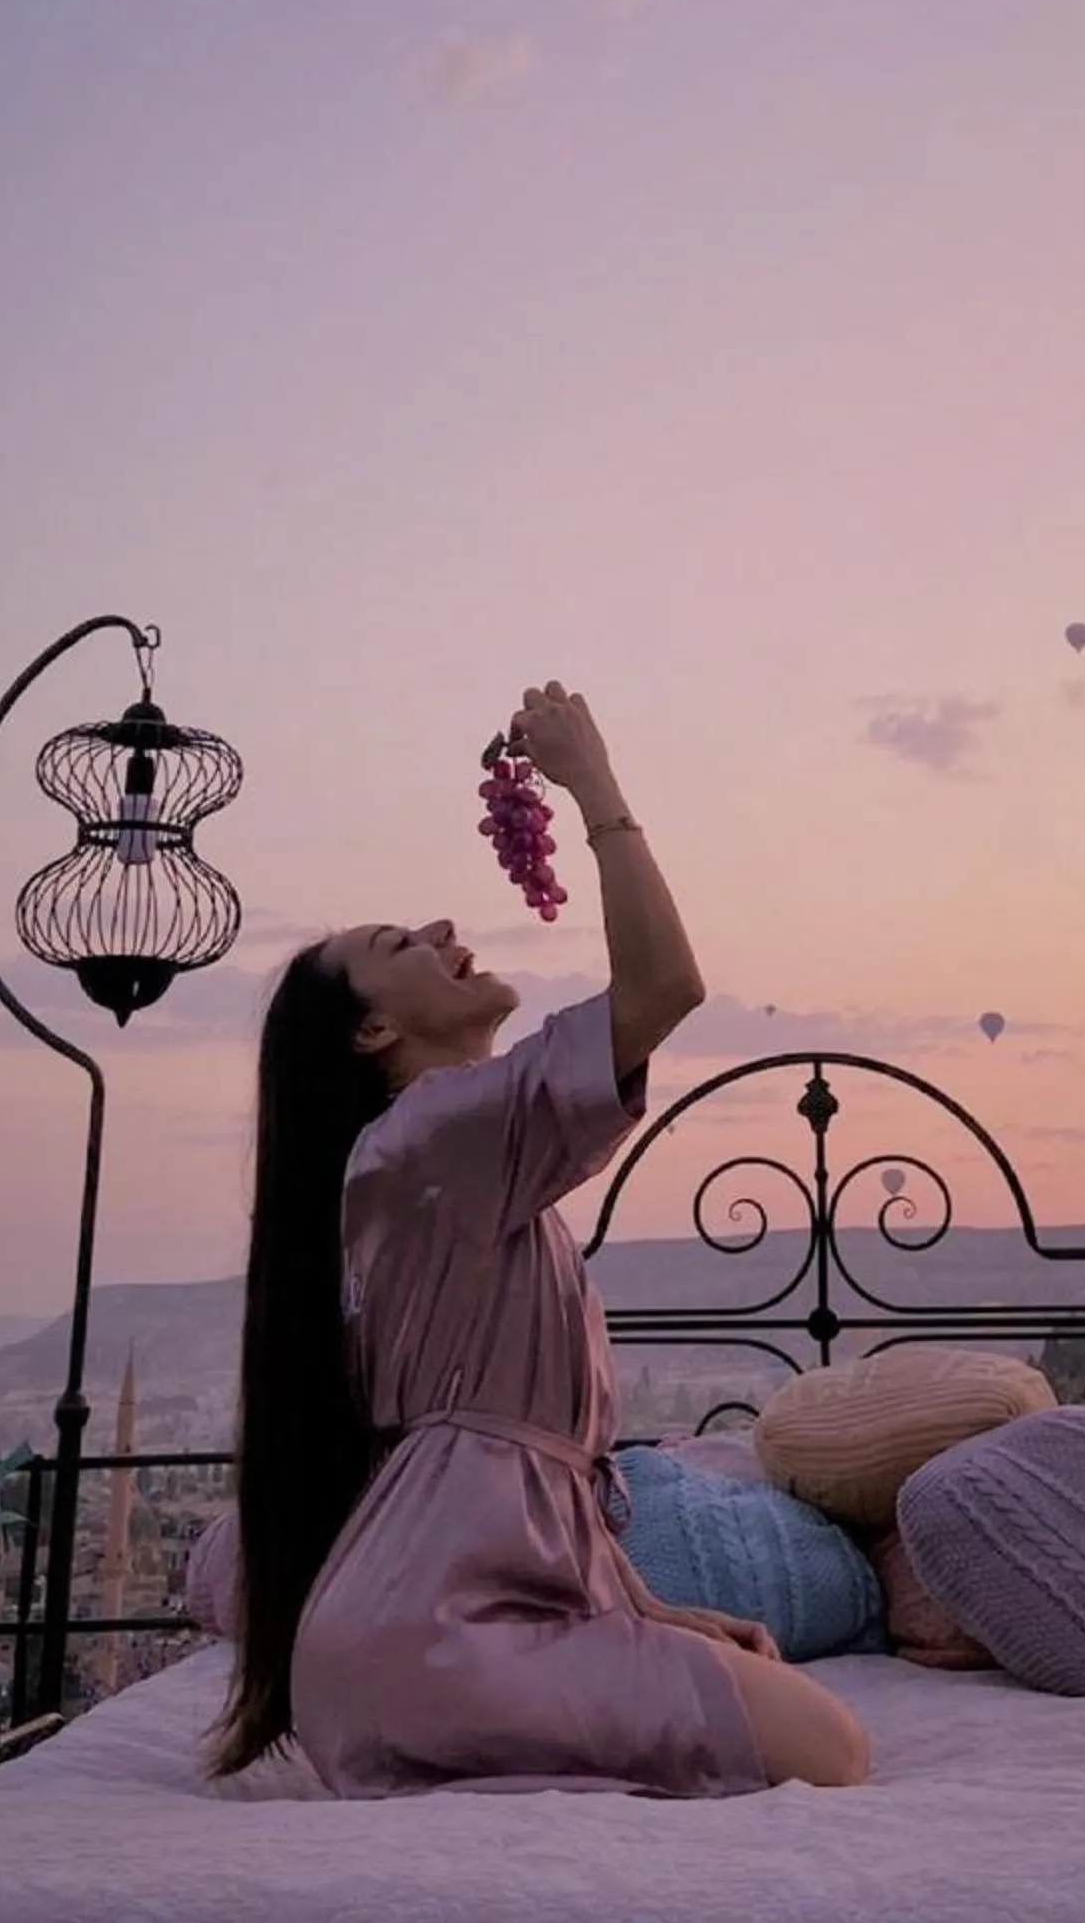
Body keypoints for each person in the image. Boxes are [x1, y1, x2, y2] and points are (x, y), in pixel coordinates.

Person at [205, 680, 872, 1800]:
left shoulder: (435, 1171)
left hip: (422, 1627)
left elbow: (517, 1497)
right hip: (435, 1632)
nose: (445, 931)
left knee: (782, 1711)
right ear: (374, 1029)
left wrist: (650, 1614)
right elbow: (665, 987)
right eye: (402, 942)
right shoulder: (423, 1138)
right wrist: (592, 781)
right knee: (831, 1750)